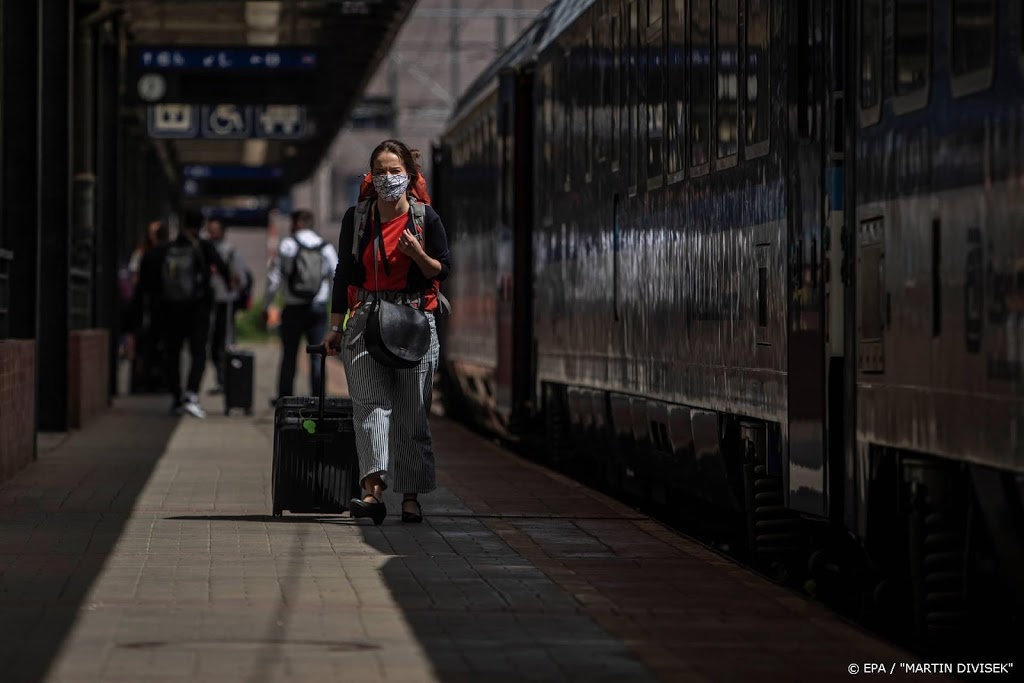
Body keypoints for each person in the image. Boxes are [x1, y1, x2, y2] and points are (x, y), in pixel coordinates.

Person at [323, 139, 451, 525]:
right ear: (370, 176)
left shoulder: (426, 218)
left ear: (409, 176)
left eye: (395, 171)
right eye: (380, 171)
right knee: (369, 408)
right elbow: (343, 271)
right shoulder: (357, 218)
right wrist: (334, 326)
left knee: (412, 416)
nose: (388, 178)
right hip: (364, 319)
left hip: (414, 321)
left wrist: (417, 254)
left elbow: (441, 270)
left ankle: (410, 497)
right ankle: (372, 492)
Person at [139, 209, 234, 418]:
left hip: (170, 310)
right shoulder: (204, 247)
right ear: (200, 226)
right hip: (198, 310)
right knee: (198, 352)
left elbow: (146, 278)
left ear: (182, 224)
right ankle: (191, 394)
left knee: (172, 353)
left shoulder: (165, 250)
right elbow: (224, 271)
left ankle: (176, 396)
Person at [264, 209, 338, 405]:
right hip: (318, 307)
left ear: (296, 224)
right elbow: (337, 277)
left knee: (289, 355)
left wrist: (268, 303)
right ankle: (319, 398)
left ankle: (285, 398)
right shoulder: (325, 247)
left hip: (293, 308)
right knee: (318, 354)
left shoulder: (287, 245)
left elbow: (274, 278)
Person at [204, 219, 247, 394]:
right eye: (210, 230)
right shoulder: (204, 250)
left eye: (215, 230)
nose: (212, 234)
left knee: (225, 342)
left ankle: (226, 381)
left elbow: (241, 280)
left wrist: (230, 282)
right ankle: (221, 380)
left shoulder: (230, 252)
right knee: (213, 345)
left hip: (225, 302)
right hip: (209, 302)